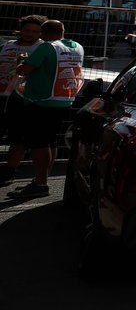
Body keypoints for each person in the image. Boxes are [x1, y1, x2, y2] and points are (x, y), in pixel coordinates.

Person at [7, 19, 85, 199]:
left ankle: (40, 183)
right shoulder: (77, 47)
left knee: (38, 143)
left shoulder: (47, 47)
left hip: (42, 101)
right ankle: (41, 180)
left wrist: (20, 62)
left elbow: (24, 71)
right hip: (64, 99)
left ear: (44, 33)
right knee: (50, 141)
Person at [0, 16, 46, 184]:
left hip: (22, 98)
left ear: (40, 33)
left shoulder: (42, 47)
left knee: (17, 137)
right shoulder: (7, 45)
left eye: (34, 31)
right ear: (20, 29)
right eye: (27, 30)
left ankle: (9, 170)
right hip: (1, 94)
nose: (29, 34)